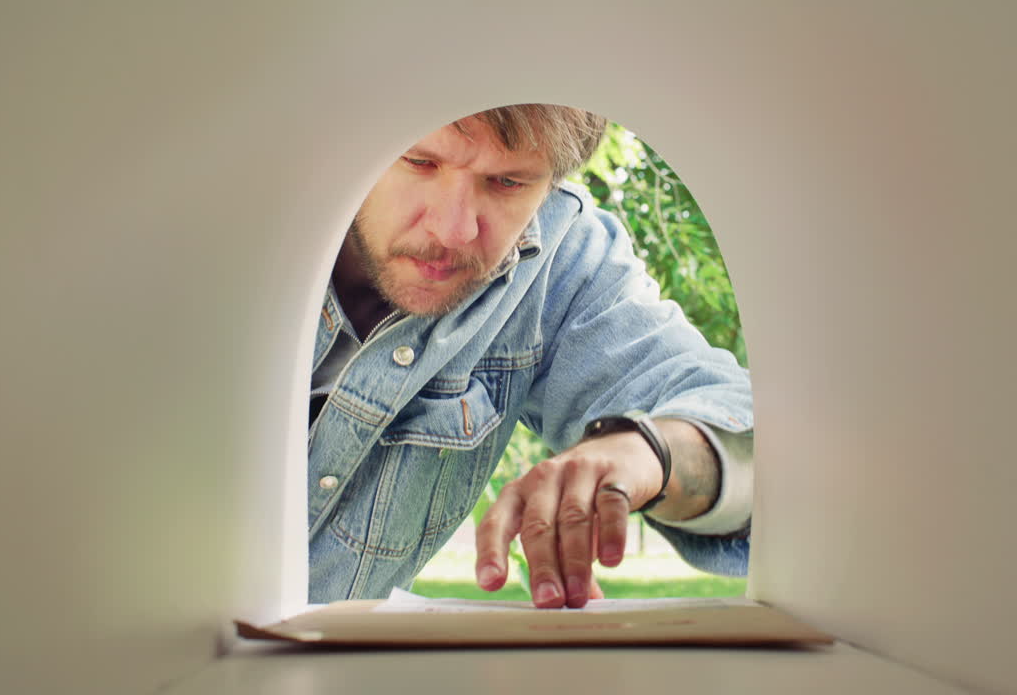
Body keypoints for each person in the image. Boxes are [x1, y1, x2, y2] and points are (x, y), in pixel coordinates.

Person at [308, 104, 753, 608]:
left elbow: (758, 446)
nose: (453, 230)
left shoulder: (564, 262)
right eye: (419, 161)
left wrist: (651, 450)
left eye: (508, 182)